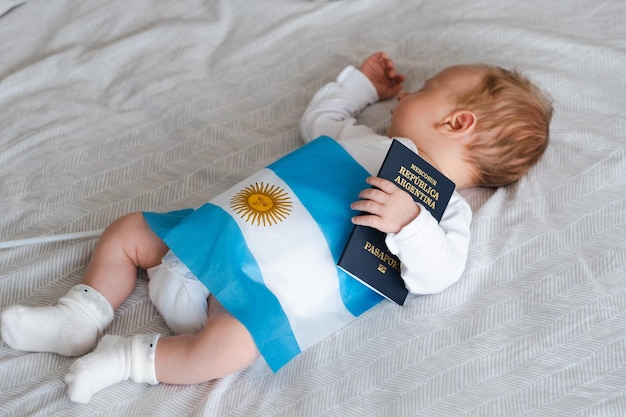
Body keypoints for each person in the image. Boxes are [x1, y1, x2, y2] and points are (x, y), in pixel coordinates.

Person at [0, 52, 553, 403]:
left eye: (422, 87)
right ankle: (81, 314)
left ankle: (128, 360)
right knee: (129, 231)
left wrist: (410, 225)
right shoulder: (365, 141)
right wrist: (360, 83)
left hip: (250, 304)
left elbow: (440, 274)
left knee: (229, 351)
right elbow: (322, 118)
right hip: (206, 235)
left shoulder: (445, 212)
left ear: (457, 122)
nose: (406, 95)